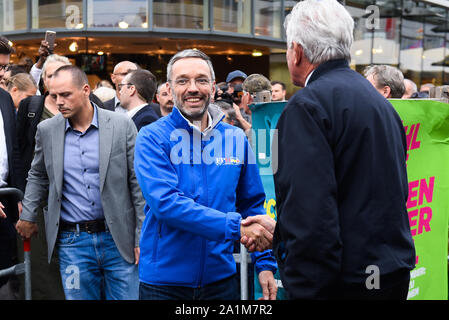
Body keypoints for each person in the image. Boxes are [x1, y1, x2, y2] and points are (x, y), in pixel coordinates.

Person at [271, 0, 415, 300]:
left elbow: (310, 216)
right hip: (389, 274)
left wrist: (305, 289)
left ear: (297, 51)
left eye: (287, 49)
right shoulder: (380, 104)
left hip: (342, 283)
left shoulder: (306, 106)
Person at [134, 49, 277, 300]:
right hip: (164, 284)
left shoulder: (234, 138)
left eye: (201, 80)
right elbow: (167, 204)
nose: (193, 88)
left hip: (220, 281)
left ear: (212, 87)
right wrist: (236, 228)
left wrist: (265, 264)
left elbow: (251, 202)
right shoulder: (152, 137)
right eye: (182, 81)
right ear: (168, 88)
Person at [16, 65, 145, 300]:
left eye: (65, 94)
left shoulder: (121, 125)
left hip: (119, 238)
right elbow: (38, 174)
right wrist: (28, 215)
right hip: (72, 241)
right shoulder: (46, 129)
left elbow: (137, 184)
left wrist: (140, 237)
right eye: (54, 96)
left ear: (85, 90)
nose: (59, 102)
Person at [0, 83, 25, 300]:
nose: (1, 73)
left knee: (7, 259)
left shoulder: (5, 98)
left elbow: (13, 149)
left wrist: (20, 196)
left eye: (4, 67)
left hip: (7, 194)